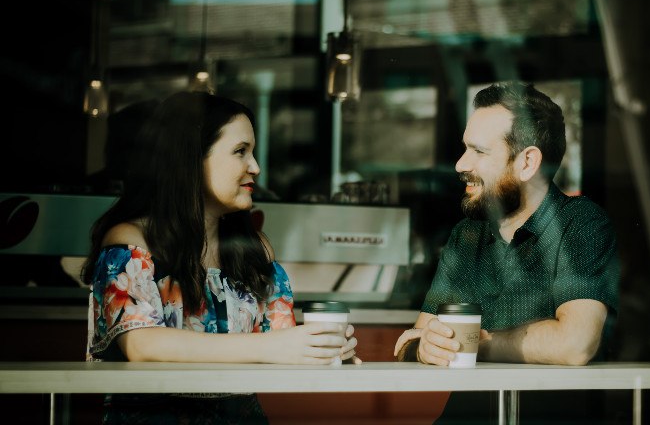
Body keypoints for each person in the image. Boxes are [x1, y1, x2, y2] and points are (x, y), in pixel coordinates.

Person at [82, 91, 360, 425]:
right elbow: (141, 343)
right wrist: (272, 348)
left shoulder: (253, 248)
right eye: (241, 152)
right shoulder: (130, 242)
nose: (255, 167)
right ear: (190, 159)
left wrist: (322, 348)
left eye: (252, 153)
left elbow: (281, 340)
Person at [394, 81, 620, 423]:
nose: (459, 164)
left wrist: (475, 344)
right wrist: (422, 348)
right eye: (464, 148)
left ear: (527, 163)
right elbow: (412, 339)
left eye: (479, 151)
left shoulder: (581, 224)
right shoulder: (467, 234)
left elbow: (575, 344)